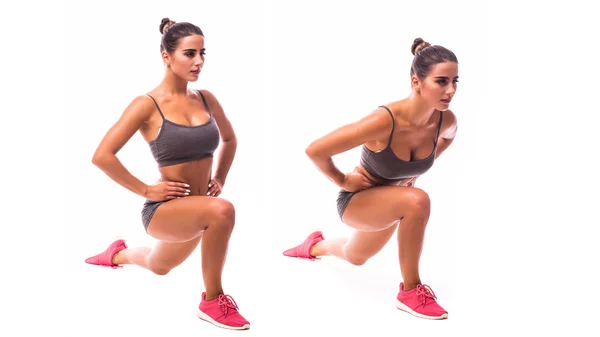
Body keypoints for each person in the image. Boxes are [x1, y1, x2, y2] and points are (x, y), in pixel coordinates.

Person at [85, 18, 250, 330]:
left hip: (198, 209)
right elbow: (102, 156)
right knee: (224, 210)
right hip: (165, 211)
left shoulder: (206, 98)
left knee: (157, 265)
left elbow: (230, 139)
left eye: (203, 53)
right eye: (190, 54)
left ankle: (116, 254)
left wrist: (221, 177)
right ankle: (213, 301)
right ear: (167, 56)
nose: (199, 61)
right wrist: (147, 191)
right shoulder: (146, 105)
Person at [283, 38, 459, 320]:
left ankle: (313, 245)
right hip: (358, 201)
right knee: (418, 201)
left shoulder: (444, 120)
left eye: (455, 81)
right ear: (417, 82)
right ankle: (411, 291)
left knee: (356, 257)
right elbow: (316, 150)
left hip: (393, 202)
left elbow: (448, 138)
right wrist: (343, 180)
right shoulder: (385, 121)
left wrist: (414, 171)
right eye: (441, 81)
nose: (450, 90)